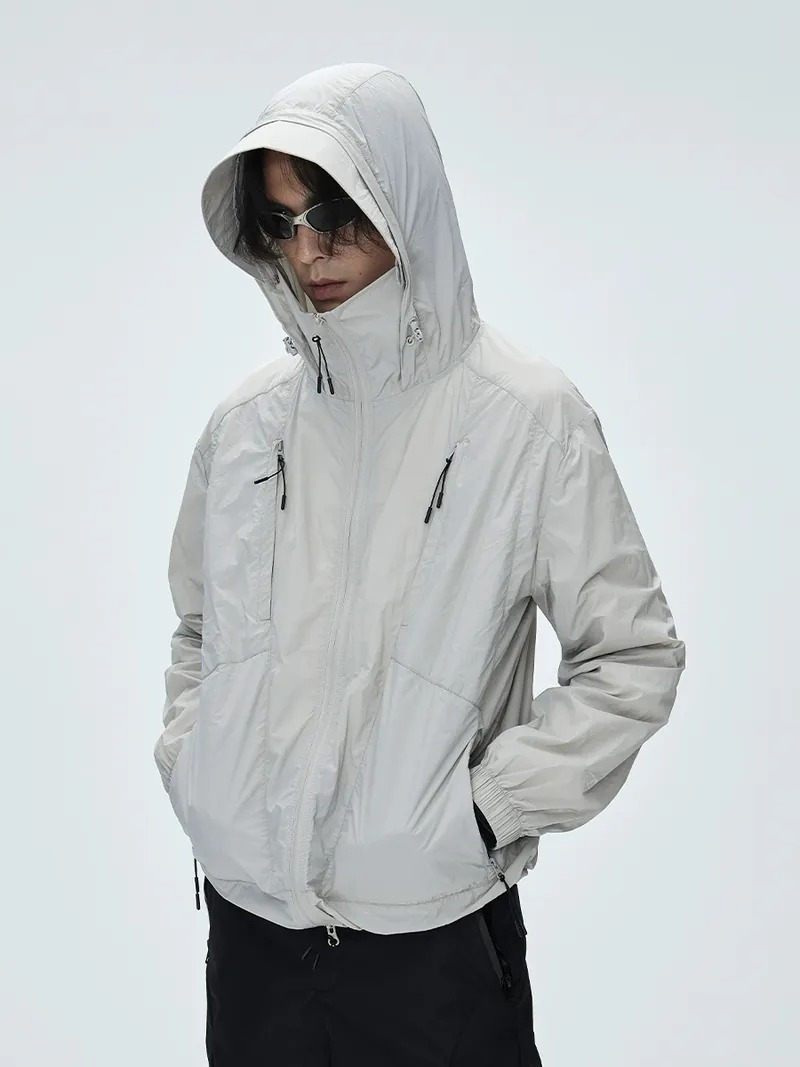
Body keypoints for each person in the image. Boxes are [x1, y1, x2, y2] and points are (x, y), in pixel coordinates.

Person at [154, 62, 686, 1066]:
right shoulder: (245, 425)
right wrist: (200, 769)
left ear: (399, 198)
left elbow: (632, 655)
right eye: (279, 223)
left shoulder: (525, 418)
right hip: (252, 935)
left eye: (332, 215)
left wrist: (484, 814)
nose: (307, 251)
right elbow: (197, 630)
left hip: (430, 951)